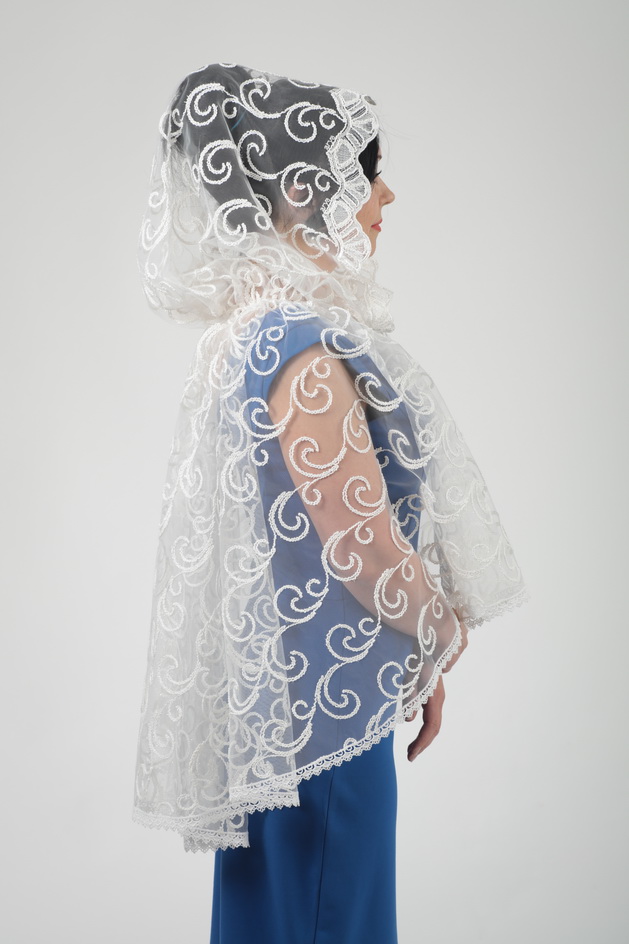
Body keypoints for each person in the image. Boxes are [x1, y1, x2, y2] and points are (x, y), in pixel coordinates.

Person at [131, 62, 530, 944]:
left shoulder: (249, 335)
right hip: (324, 735)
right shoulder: (299, 344)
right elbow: (362, 547)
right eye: (368, 171)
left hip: (283, 718)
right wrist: (439, 634)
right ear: (305, 192)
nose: (387, 194)